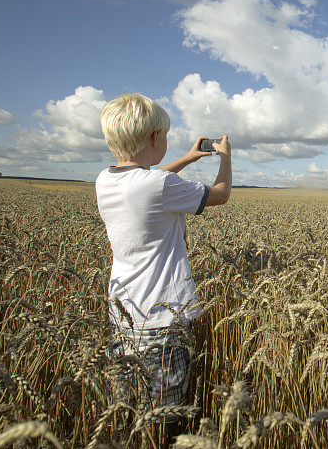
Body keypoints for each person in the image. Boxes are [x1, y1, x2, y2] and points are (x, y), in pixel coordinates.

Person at [95, 93, 231, 445]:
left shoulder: (105, 180)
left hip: (123, 315)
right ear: (156, 137)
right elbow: (220, 194)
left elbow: (148, 183)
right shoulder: (157, 185)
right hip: (163, 321)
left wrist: (187, 158)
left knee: (130, 410)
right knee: (163, 419)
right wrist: (225, 159)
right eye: (166, 136)